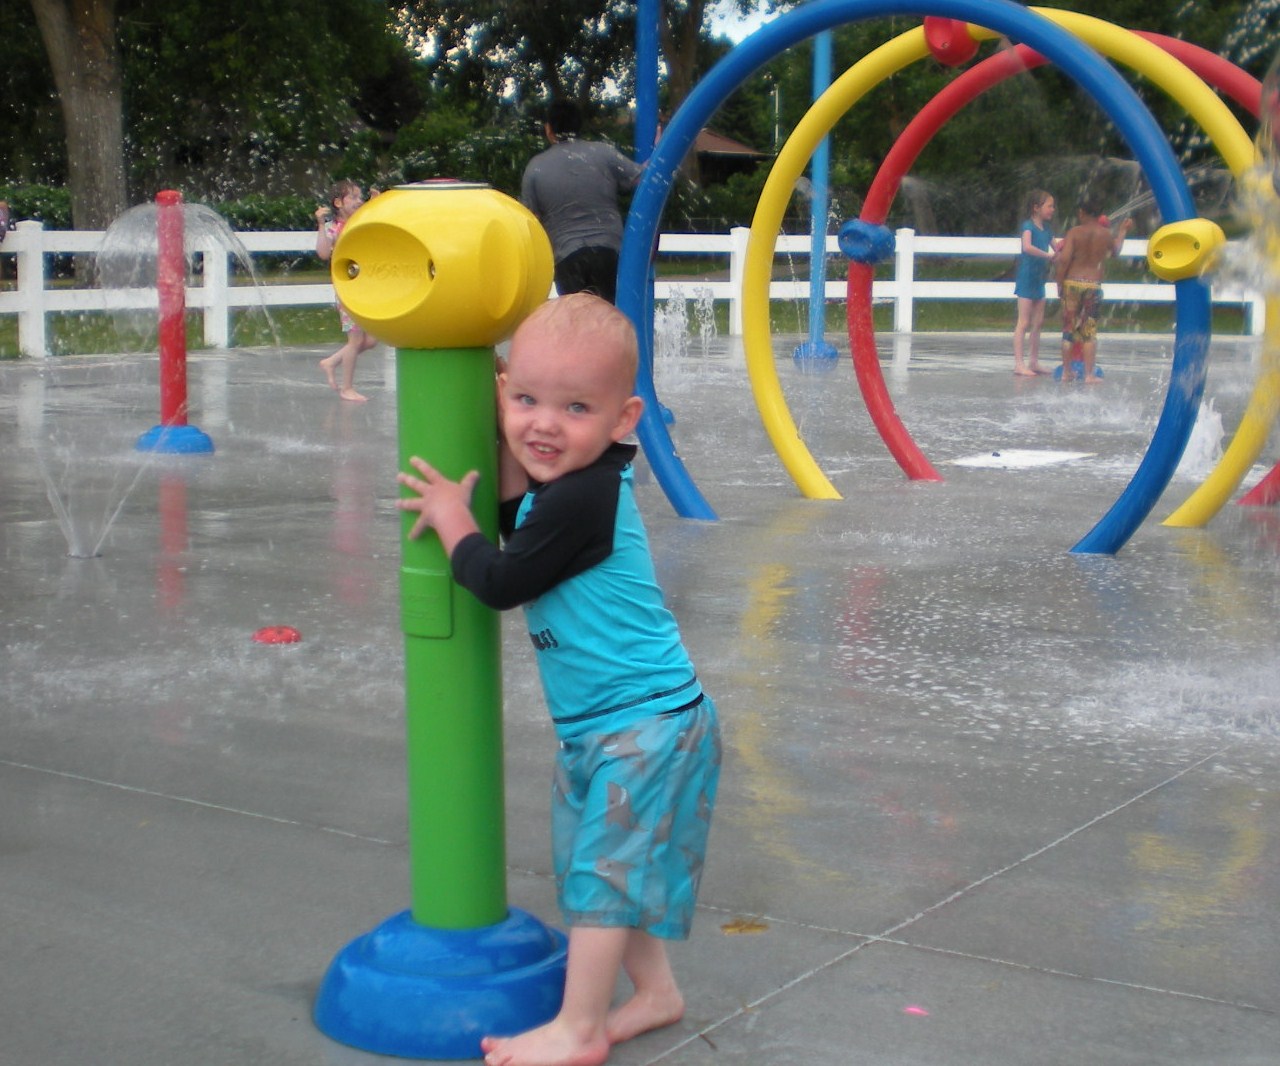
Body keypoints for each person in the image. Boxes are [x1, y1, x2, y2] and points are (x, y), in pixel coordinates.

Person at [397, 293, 721, 1066]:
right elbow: (521, 518)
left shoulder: (587, 494)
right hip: (609, 726)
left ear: (623, 418)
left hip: (646, 726)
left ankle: (579, 1031)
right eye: (526, 400)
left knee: (603, 881)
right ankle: (655, 994)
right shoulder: (571, 482)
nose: (543, 424)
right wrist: (494, 404)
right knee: (604, 874)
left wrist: (450, 515)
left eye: (575, 407)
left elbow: (503, 577)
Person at [521, 100, 644, 304]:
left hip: (567, 258)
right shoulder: (603, 153)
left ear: (549, 129)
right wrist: (660, 152)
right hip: (609, 253)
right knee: (609, 316)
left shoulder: (536, 168)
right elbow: (644, 179)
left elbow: (529, 220)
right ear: (579, 125)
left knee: (578, 322)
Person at [1054, 195, 1133, 384]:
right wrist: (1122, 231)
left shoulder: (1074, 232)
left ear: (1082, 213)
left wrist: (1059, 283)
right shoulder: (1105, 234)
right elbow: (1115, 251)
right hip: (1093, 285)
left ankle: (1066, 372)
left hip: (1072, 283)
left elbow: (1064, 260)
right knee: (1089, 332)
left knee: (1068, 331)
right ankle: (1089, 375)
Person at [315, 180, 378, 402]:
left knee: (370, 341)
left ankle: (331, 362)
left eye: (360, 197)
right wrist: (321, 225)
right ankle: (347, 388)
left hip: (363, 288)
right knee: (355, 341)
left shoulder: (360, 222)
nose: (358, 201)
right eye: (353, 197)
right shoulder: (335, 228)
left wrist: (375, 204)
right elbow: (323, 254)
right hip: (348, 289)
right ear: (338, 203)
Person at [1012, 189, 1058, 377]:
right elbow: (1027, 247)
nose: (1052, 209)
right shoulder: (1028, 226)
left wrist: (1064, 248)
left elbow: (1057, 248)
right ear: (1036, 208)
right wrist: (1048, 255)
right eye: (1049, 206)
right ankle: (1019, 363)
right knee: (1023, 322)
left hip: (1040, 279)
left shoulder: (1047, 230)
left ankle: (1033, 361)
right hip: (1027, 277)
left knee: (1038, 322)